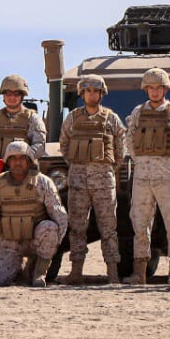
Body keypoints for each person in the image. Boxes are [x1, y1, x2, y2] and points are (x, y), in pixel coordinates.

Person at [123, 67, 170, 286]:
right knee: (140, 224)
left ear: (165, 89)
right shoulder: (138, 112)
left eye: (158, 88)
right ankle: (139, 272)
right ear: (146, 89)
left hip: (168, 176)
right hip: (143, 176)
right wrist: (141, 162)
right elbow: (130, 141)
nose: (154, 92)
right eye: (151, 88)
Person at [0, 74, 47, 284]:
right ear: (3, 96)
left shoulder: (32, 118)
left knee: (28, 220)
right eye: (8, 93)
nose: (12, 97)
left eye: (17, 93)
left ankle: (32, 269)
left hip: (24, 180)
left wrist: (21, 161)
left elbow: (40, 145)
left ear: (23, 96)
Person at [59, 74, 126, 285]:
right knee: (77, 226)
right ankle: (76, 271)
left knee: (108, 228)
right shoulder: (72, 118)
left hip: (104, 182)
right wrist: (79, 166)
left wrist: (105, 168)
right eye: (88, 90)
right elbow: (65, 146)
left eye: (96, 91)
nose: (92, 94)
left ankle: (112, 272)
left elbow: (120, 149)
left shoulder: (111, 118)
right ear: (82, 93)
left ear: (102, 93)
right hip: (78, 182)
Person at [0, 141, 68, 287]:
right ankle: (20, 269)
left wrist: (54, 243)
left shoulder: (42, 182)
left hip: (35, 238)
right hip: (11, 239)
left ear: (29, 161)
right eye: (14, 159)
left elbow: (59, 216)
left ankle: (39, 271)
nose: (18, 162)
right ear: (8, 161)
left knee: (49, 227)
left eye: (22, 158)